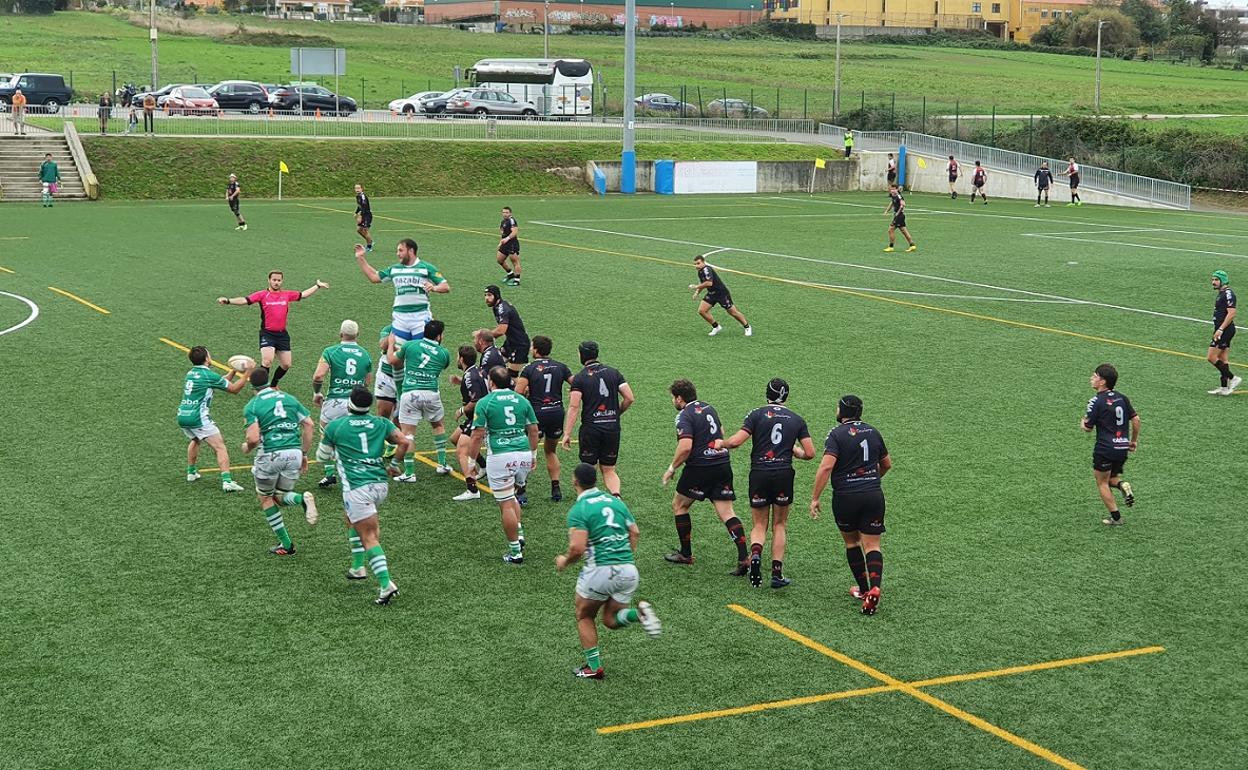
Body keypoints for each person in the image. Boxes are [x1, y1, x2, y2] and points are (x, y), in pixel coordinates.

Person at [555, 463, 661, 680]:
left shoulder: (579, 509)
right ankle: (639, 615)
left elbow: (577, 548)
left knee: (584, 615)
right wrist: (624, 556)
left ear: (575, 482)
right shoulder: (616, 502)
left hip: (601, 571)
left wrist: (565, 561)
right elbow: (635, 532)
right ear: (596, 480)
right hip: (628, 570)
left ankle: (594, 667)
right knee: (610, 620)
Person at [720, 378, 815, 588]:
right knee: (779, 524)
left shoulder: (756, 414)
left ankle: (755, 555)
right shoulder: (796, 419)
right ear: (786, 396)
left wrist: (721, 443)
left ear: (767, 394)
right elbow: (810, 453)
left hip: (760, 473)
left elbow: (735, 442)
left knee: (759, 524)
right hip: (783, 473)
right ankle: (776, 574)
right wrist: (794, 450)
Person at [321, 387, 411, 605]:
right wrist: (395, 464)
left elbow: (322, 455)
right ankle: (357, 566)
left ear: (349, 403)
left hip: (357, 487)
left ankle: (385, 584)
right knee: (351, 518)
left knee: (369, 536)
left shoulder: (336, 426)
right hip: (380, 484)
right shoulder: (381, 423)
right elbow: (405, 441)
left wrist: (335, 446)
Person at [809, 395, 891, 615]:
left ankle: (865, 590)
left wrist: (815, 497)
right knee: (872, 546)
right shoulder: (873, 432)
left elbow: (826, 467)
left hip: (846, 497)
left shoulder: (836, 435)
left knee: (852, 543)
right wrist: (872, 480)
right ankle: (875, 587)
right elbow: (886, 464)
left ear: (843, 411)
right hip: (873, 494)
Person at [661, 379, 748, 574]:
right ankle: (744, 557)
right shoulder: (709, 408)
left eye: (673, 398)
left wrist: (672, 468)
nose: (673, 402)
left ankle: (686, 554)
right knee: (727, 513)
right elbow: (722, 432)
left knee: (679, 505)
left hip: (700, 467)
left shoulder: (684, 415)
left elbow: (685, 447)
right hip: (722, 463)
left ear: (679, 398)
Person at [241, 368, 319, 555]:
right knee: (280, 497)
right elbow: (309, 424)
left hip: (270, 455)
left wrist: (247, 447)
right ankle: (301, 499)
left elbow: (253, 438)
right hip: (293, 453)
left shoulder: (252, 405)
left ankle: (286, 544)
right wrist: (304, 454)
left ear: (252, 386)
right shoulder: (289, 398)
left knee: (266, 498)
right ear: (268, 381)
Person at [468, 366, 539, 564]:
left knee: (506, 502)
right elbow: (533, 430)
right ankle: (520, 532)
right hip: (523, 453)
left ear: (491, 382)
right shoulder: (522, 400)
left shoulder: (485, 402)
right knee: (513, 495)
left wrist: (471, 462)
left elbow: (477, 435)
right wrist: (533, 455)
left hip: (500, 456)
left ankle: (515, 552)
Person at [217, 271, 329, 388]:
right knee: (267, 361)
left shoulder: (287, 294)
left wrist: (317, 286)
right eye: (274, 280)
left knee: (286, 364)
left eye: (279, 280)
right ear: (269, 280)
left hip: (282, 335)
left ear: (282, 281)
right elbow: (245, 300)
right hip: (267, 334)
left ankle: (273, 385)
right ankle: (260, 386)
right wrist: (228, 301)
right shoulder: (262, 295)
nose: (276, 282)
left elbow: (303, 295)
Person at [562, 341, 634, 497]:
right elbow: (629, 398)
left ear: (582, 355)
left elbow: (574, 407)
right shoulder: (614, 372)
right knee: (609, 470)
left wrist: (567, 433)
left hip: (591, 430)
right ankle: (616, 497)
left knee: (588, 468)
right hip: (612, 428)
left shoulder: (580, 378)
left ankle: (589, 501)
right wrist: (616, 413)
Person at [387, 319, 453, 481]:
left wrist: (390, 345)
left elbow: (393, 361)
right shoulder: (444, 354)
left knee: (408, 434)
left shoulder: (410, 346)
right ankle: (442, 464)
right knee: (438, 426)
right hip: (431, 393)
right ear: (439, 336)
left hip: (411, 393)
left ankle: (409, 473)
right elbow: (439, 366)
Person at [177, 346, 249, 492]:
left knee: (196, 440)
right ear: (206, 359)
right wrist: (248, 372)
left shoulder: (191, 373)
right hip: (197, 418)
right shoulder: (208, 375)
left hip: (183, 415)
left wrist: (234, 371)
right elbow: (234, 389)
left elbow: (219, 382)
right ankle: (227, 481)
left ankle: (191, 472)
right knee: (220, 446)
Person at [312, 320, 374, 488]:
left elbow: (318, 376)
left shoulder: (331, 351)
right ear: (357, 335)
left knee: (326, 435)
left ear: (340, 334)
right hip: (355, 402)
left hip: (334, 401)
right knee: (354, 437)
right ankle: (359, 472)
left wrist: (317, 392)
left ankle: (330, 473)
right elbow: (367, 382)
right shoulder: (365, 354)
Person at [354, 239, 450, 345]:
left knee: (418, 352)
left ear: (411, 251)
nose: (397, 254)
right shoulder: (394, 269)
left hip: (420, 319)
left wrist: (434, 288)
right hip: (400, 319)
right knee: (398, 353)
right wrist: (360, 258)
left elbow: (445, 286)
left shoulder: (426, 267)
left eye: (401, 250)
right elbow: (374, 277)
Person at [1081, 364, 1140, 526]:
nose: (1091, 378)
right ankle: (1122, 485)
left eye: (1094, 376)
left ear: (1102, 382)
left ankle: (1116, 518)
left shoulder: (1095, 401)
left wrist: (1082, 422)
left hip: (1105, 449)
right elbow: (1136, 419)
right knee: (1111, 478)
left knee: (1101, 482)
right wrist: (1133, 441)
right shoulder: (1122, 398)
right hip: (1122, 448)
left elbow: (1087, 428)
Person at [516, 335, 573, 502]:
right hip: (556, 413)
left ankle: (521, 491)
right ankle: (556, 489)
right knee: (550, 450)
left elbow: (518, 393)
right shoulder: (561, 367)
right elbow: (576, 383)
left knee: (527, 453)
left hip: (537, 415)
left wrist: (527, 394)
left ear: (536, 350)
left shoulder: (529, 368)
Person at [448, 344, 490, 501]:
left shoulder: (470, 376)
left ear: (462, 359)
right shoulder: (478, 371)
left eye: (458, 357)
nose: (457, 359)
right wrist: (460, 381)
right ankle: (484, 466)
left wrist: (461, 410)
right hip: (477, 416)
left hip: (478, 417)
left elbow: (476, 399)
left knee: (462, 450)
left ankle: (472, 490)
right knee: (454, 439)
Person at [690, 255, 752, 337]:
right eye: (695, 264)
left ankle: (747, 327)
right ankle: (716, 327)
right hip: (712, 293)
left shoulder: (706, 270)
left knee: (732, 312)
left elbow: (709, 283)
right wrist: (697, 292)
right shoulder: (700, 271)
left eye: (698, 263)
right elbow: (703, 284)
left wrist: (695, 287)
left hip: (721, 293)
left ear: (703, 262)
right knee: (702, 310)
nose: (696, 266)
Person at [1207, 270, 1241, 395]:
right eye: (1213, 280)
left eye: (1216, 280)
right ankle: (1224, 388)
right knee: (1223, 358)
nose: (1213, 282)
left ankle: (1233, 378)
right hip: (1222, 329)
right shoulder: (1222, 293)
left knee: (1211, 357)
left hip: (1225, 330)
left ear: (1223, 280)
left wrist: (1220, 329)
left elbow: (1232, 313)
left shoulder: (1228, 293)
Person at [484, 284, 530, 374]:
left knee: (512, 375)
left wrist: (484, 336)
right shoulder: (496, 307)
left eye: (489, 295)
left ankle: (527, 387)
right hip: (510, 342)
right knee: (495, 364)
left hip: (520, 345)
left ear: (496, 295)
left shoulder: (502, 309)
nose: (486, 298)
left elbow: (501, 330)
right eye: (485, 295)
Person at [373, 324, 400, 422]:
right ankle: (381, 437)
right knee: (383, 416)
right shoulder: (389, 329)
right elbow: (383, 346)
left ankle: (400, 437)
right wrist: (396, 332)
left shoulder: (418, 332)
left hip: (407, 378)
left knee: (400, 420)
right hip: (386, 375)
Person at [883, 184, 917, 253]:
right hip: (899, 216)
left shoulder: (899, 196)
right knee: (904, 231)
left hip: (899, 216)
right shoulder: (893, 196)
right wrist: (887, 210)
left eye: (893, 189)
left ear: (897, 189)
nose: (892, 190)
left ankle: (891, 247)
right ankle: (912, 245)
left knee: (890, 230)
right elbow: (892, 203)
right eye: (891, 189)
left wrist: (897, 213)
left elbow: (903, 205)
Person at [497, 206, 522, 286]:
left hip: (512, 244)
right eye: (503, 212)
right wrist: (501, 242)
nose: (505, 214)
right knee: (499, 260)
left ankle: (517, 280)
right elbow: (503, 233)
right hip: (505, 244)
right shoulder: (503, 221)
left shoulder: (511, 220)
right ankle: (510, 274)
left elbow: (515, 232)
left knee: (515, 262)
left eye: (506, 212)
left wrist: (507, 239)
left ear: (510, 213)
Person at [354, 183, 374, 252]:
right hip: (363, 214)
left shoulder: (363, 196)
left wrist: (360, 216)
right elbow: (360, 206)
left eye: (358, 188)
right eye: (356, 188)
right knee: (359, 230)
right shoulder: (358, 196)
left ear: (362, 189)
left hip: (367, 215)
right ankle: (370, 241)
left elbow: (365, 207)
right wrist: (356, 213)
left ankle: (369, 246)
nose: (357, 190)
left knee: (365, 230)